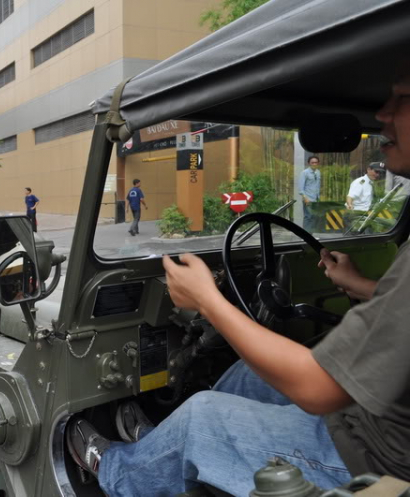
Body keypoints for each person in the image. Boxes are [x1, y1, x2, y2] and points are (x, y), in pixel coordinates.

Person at [67, 67, 410, 495]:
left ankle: (117, 471)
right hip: (373, 424)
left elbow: (318, 387)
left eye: (403, 98)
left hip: (374, 459)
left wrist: (209, 301)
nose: (383, 112)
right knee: (251, 373)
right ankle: (159, 450)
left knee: (201, 419)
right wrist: (359, 286)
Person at [298, 156, 321, 232]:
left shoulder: (318, 172)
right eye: (312, 162)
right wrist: (305, 198)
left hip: (316, 199)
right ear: (309, 163)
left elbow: (317, 186)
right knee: (308, 217)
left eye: (316, 162)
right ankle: (305, 236)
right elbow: (301, 188)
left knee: (314, 217)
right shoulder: (304, 173)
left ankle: (311, 235)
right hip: (308, 198)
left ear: (318, 163)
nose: (314, 164)